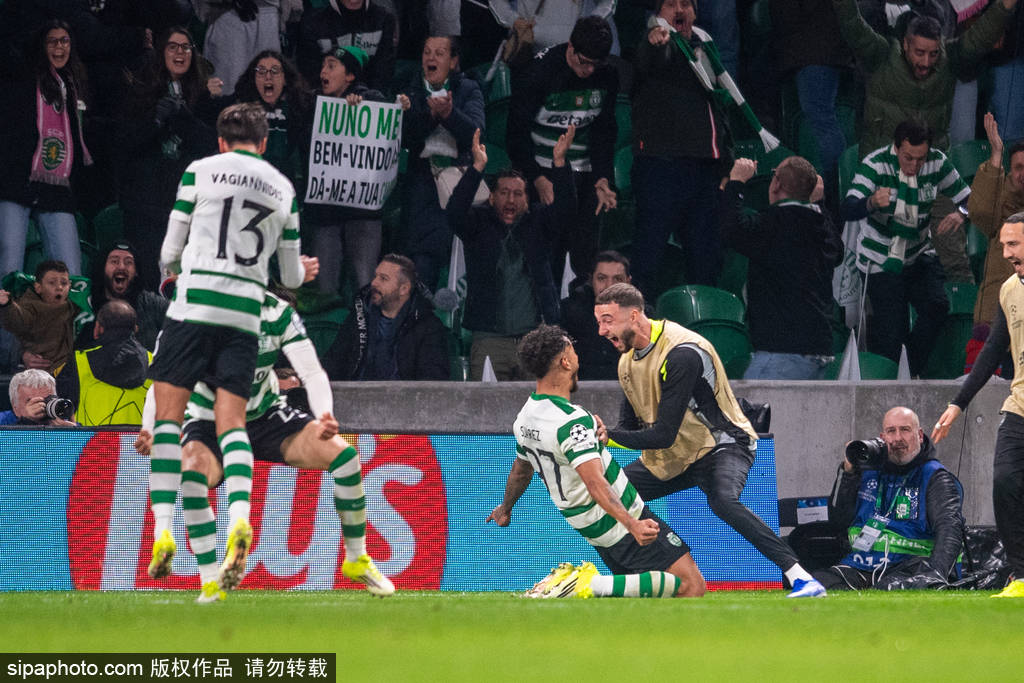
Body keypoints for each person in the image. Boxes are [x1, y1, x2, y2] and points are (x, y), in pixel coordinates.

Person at [145, 102, 313, 594]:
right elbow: (291, 277)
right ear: (265, 143)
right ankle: (240, 516)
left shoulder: (199, 171)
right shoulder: (282, 188)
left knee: (169, 424)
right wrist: (301, 270)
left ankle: (162, 530)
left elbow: (169, 251)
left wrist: (186, 265)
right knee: (233, 424)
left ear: (221, 141)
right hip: (242, 316)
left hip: (194, 307)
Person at [137, 288, 393, 602]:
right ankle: (211, 580)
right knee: (193, 478)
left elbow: (312, 372)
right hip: (208, 420)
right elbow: (162, 382)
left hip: (265, 414)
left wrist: (325, 413)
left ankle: (357, 558)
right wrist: (149, 427)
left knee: (346, 457)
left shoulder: (277, 313)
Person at [593, 282, 827, 597]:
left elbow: (662, 434)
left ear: (634, 316)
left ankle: (803, 578)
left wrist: (607, 437)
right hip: (677, 454)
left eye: (607, 320)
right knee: (608, 496)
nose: (601, 330)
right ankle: (635, 580)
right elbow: (629, 427)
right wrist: (605, 436)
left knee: (723, 501)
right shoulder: (626, 362)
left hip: (722, 444)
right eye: (599, 322)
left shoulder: (682, 353)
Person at [486, 323, 706, 599]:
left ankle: (587, 586)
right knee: (691, 586)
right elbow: (595, 483)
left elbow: (521, 470)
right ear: (565, 362)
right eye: (573, 350)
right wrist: (633, 525)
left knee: (648, 601)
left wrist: (505, 507)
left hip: (592, 528)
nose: (577, 356)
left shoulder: (525, 418)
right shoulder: (573, 421)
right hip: (620, 521)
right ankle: (584, 584)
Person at [933, 211, 1024, 598]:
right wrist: (958, 403)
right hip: (1019, 406)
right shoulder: (1009, 290)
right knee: (1005, 483)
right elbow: (992, 350)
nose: (1006, 253)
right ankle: (1021, 576)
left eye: (1013, 244)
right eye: (1003, 245)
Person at [841, 119, 970, 374]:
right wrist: (871, 202)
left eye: (920, 159)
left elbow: (969, 198)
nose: (914, 166)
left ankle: (909, 370)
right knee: (892, 335)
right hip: (880, 258)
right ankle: (896, 376)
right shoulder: (876, 164)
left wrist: (961, 214)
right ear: (896, 147)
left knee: (938, 305)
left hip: (919, 252)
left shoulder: (937, 162)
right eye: (908, 158)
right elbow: (847, 208)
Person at [447, 127, 573, 380]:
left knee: (538, 405)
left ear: (527, 199)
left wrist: (559, 164)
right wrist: (477, 168)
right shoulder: (478, 223)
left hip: (535, 340)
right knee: (484, 404)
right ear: (492, 198)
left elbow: (566, 210)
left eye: (517, 194)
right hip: (489, 340)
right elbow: (454, 212)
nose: (511, 200)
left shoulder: (539, 222)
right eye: (504, 193)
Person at [629, 0, 736, 294]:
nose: (679, 9)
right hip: (661, 166)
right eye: (670, 4)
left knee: (706, 262)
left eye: (686, 3)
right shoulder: (653, 43)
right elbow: (651, 59)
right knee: (647, 258)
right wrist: (656, 41)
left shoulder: (706, 47)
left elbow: (719, 112)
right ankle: (638, 319)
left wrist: (726, 163)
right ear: (658, 14)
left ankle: (702, 320)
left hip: (704, 168)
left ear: (695, 12)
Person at [507, 15, 618, 279]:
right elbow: (515, 135)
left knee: (586, 256)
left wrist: (602, 178)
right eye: (584, 62)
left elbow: (604, 131)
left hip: (585, 171)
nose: (589, 70)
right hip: (544, 170)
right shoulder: (538, 73)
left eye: (596, 64)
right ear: (571, 47)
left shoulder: (607, 75)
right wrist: (536, 178)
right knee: (547, 256)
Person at [833, 0, 1017, 156]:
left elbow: (982, 35)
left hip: (931, 172)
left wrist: (1006, 5)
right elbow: (852, 23)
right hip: (883, 170)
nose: (926, 62)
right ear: (905, 44)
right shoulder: (881, 56)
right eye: (920, 53)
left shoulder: (948, 59)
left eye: (933, 54)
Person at [813, 407, 964, 590]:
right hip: (863, 564)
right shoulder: (868, 471)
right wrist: (848, 472)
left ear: (919, 435)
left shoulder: (935, 476)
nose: (898, 438)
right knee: (818, 583)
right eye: (891, 431)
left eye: (905, 430)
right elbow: (838, 519)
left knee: (886, 589)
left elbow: (950, 529)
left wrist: (935, 574)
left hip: (911, 568)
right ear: (882, 437)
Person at [721, 156, 843, 379]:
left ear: (776, 184)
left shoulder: (772, 223)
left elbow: (731, 229)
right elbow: (838, 250)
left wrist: (736, 183)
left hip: (782, 352)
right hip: (819, 351)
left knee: (754, 403)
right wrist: (819, 203)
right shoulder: (820, 225)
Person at [118, 26, 218, 291]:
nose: (180, 53)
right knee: (148, 280)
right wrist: (155, 121)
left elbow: (212, 146)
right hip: (145, 203)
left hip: (187, 203)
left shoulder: (205, 97)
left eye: (186, 47)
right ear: (161, 52)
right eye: (173, 47)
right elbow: (125, 143)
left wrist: (184, 118)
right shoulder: (140, 92)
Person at [0, 20, 90, 283]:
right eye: (52, 41)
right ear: (41, 45)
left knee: (70, 271)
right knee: (8, 270)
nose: (59, 47)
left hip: (55, 189)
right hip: (16, 184)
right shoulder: (22, 78)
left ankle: (68, 314)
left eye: (65, 41)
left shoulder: (72, 84)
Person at [303, 46, 391, 296]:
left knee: (364, 284)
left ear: (350, 75)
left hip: (362, 212)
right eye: (323, 65)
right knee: (325, 288)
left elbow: (387, 116)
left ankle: (364, 323)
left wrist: (363, 108)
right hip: (325, 210)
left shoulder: (371, 98)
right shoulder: (312, 102)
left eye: (331, 66)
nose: (323, 71)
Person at [399, 35, 485, 291]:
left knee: (443, 250)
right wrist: (430, 116)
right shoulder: (409, 89)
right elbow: (403, 138)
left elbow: (476, 133)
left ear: (453, 61)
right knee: (421, 254)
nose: (431, 58)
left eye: (439, 53)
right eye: (427, 52)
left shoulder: (468, 89)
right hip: (420, 182)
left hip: (457, 180)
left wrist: (449, 114)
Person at [323, 254, 449, 380]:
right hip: (358, 391)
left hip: (403, 393)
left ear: (403, 289)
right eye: (375, 276)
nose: (374, 283)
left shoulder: (428, 326)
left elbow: (432, 380)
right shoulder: (359, 316)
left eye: (383, 279)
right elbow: (333, 364)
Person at [57, 300, 151, 427]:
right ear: (135, 329)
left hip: (91, 439)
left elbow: (59, 409)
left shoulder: (79, 362)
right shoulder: (154, 362)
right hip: (140, 440)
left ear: (98, 328)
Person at [969, 113, 1024, 329]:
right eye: (1018, 167)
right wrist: (997, 154)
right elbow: (981, 213)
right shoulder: (1000, 200)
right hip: (995, 316)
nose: (1023, 174)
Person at [230, 50, 312, 189]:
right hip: (250, 185)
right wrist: (209, 95)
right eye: (261, 72)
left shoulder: (303, 107)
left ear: (285, 79)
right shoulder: (238, 107)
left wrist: (351, 100)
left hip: (288, 186)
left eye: (275, 71)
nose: (268, 77)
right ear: (254, 79)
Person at [78, 242, 168, 352]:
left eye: (128, 262)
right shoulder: (87, 303)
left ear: (136, 271)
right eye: (114, 261)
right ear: (103, 268)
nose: (121, 266)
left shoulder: (151, 303)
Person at [560, 250, 634, 380]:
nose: (609, 286)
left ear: (628, 282)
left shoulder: (643, 315)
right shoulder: (569, 313)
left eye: (617, 279)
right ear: (591, 281)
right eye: (601, 278)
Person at [296, 0, 396, 94]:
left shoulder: (384, 19)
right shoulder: (313, 22)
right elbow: (309, 71)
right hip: (327, 99)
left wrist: (369, 98)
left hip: (370, 100)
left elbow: (384, 69)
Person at [0, 260, 80, 375]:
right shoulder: (30, 306)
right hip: (41, 373)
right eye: (52, 283)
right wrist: (7, 305)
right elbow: (17, 320)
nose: (59, 287)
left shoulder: (77, 305)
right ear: (38, 287)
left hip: (71, 370)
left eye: (64, 283)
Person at [0, 368, 76, 427]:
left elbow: (82, 442)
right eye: (31, 401)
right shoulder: (2, 422)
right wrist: (26, 423)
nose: (40, 406)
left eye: (47, 400)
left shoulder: (64, 422)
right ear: (15, 407)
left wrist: (73, 435)